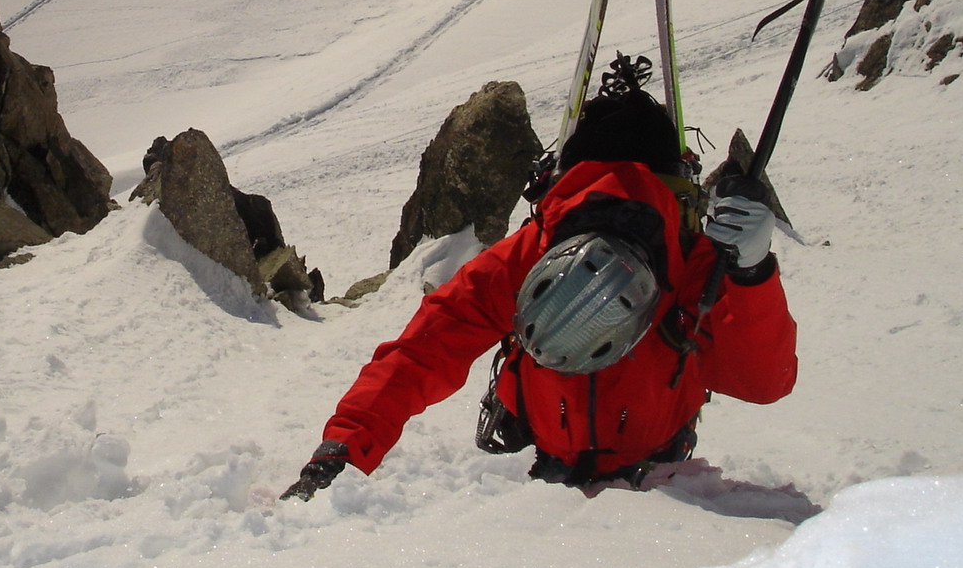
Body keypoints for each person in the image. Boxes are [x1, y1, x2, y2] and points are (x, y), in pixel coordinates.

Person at [283, 57, 796, 499]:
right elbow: (763, 382)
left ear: (561, 179)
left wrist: (343, 451)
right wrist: (750, 274)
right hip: (662, 480)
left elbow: (421, 353)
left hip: (548, 470)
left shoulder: (529, 253)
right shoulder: (694, 261)